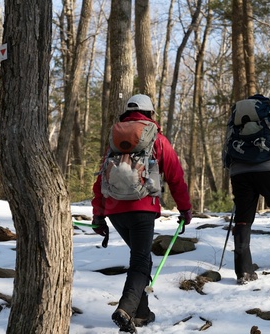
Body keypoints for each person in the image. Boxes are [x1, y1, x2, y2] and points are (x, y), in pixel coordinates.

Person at [91, 94, 192, 333]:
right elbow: (175, 177)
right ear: (150, 114)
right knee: (140, 261)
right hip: (142, 209)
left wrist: (99, 215)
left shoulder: (114, 140)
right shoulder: (157, 139)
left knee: (142, 258)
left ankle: (142, 314)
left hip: (116, 211)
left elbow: (100, 179)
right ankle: (125, 309)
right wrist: (185, 209)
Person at [223, 94, 270, 285]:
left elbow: (227, 144)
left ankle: (243, 270)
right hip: (268, 168)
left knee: (243, 218)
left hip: (239, 171)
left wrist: (230, 167)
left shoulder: (235, 117)